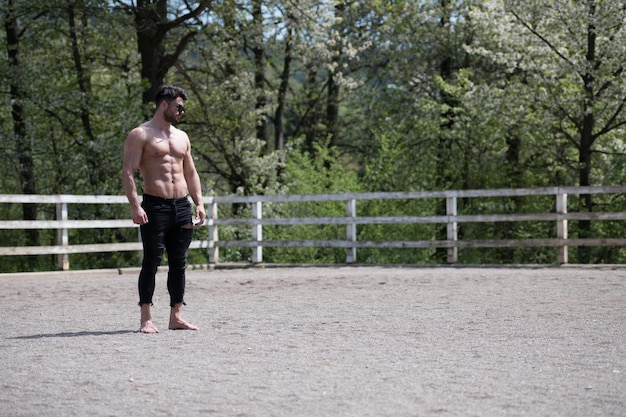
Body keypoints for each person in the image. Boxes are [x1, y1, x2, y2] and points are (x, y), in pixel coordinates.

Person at [122, 85, 206, 333]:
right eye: (179, 106)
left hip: (181, 206)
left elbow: (190, 172)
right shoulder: (140, 134)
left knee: (179, 263)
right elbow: (128, 172)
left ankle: (176, 316)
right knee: (151, 262)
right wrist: (135, 205)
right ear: (164, 104)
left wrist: (198, 202)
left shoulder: (182, 137)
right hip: (154, 206)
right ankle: (146, 318)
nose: (182, 111)